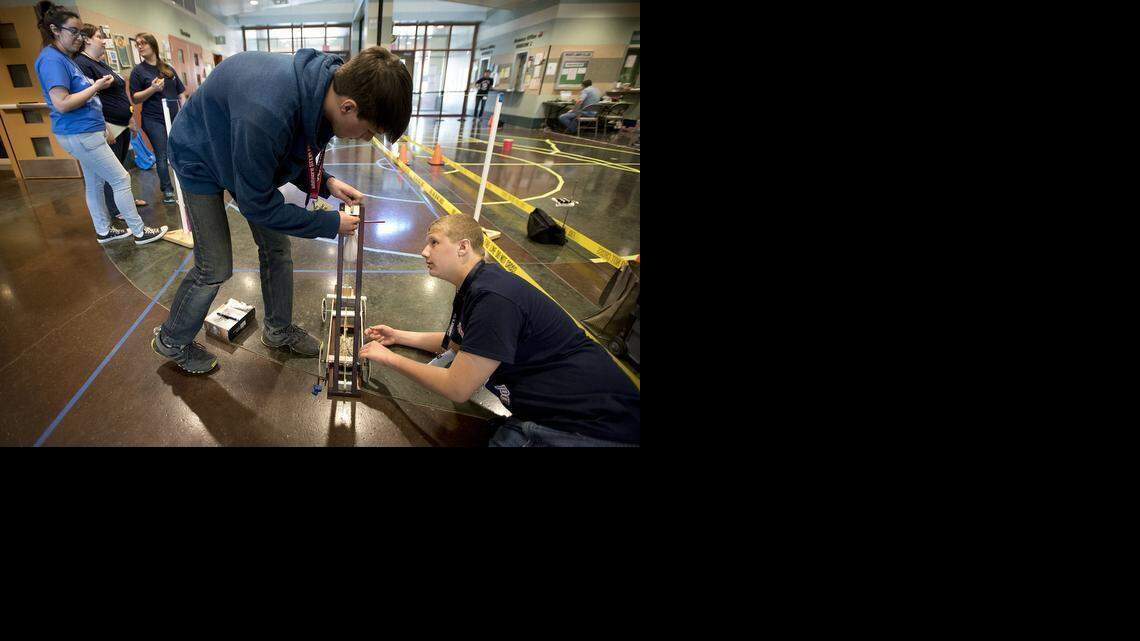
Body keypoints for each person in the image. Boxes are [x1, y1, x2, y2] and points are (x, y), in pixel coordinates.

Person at [151, 45, 412, 375]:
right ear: (348, 106)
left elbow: (288, 151)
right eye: (369, 131)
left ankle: (277, 330)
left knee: (276, 248)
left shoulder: (322, 87)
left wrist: (327, 182)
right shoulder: (267, 114)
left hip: (239, 148)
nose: (364, 139)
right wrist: (329, 223)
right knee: (214, 266)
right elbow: (258, 205)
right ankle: (172, 340)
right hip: (199, 155)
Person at [358, 214, 640, 447]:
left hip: (594, 424)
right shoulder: (475, 286)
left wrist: (389, 359)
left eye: (434, 242)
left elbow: (457, 387)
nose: (424, 251)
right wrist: (398, 336)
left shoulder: (493, 299)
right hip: (560, 410)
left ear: (463, 247)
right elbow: (456, 345)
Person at [31, 1, 166, 246]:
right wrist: (96, 86)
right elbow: (61, 103)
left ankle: (103, 230)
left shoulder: (64, 58)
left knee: (95, 183)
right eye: (74, 32)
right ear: (55, 30)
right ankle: (139, 231)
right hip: (79, 133)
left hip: (87, 130)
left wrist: (101, 122)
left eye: (82, 33)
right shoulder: (51, 60)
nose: (79, 38)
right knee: (121, 179)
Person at [73, 23, 148, 219]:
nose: (104, 41)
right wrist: (104, 127)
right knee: (111, 172)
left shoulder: (100, 63)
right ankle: (116, 209)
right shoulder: (82, 64)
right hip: (108, 125)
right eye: (99, 36)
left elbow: (118, 91)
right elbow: (90, 99)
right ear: (87, 39)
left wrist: (130, 118)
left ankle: (125, 201)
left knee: (120, 167)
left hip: (121, 123)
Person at [129, 32, 187, 205]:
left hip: (174, 117)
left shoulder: (167, 68)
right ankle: (167, 190)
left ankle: (186, 185)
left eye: (143, 43)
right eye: (137, 44)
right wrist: (152, 89)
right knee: (162, 154)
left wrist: (184, 113)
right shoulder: (138, 71)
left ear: (152, 45)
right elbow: (135, 98)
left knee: (179, 152)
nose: (140, 47)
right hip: (153, 119)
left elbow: (181, 93)